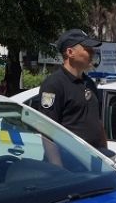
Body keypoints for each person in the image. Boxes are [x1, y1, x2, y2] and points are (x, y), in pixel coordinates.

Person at [38, 29, 108, 162]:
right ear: (70, 52)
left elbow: (98, 122)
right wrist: (57, 167)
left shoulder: (89, 83)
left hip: (92, 160)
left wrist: (105, 156)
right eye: (87, 49)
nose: (92, 53)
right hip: (68, 163)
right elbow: (47, 131)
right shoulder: (54, 84)